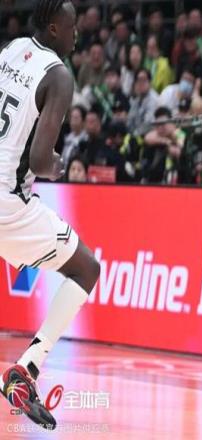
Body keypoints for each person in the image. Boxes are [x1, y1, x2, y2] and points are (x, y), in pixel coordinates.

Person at [0, 0, 100, 430]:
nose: (77, 34)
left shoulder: (12, 49)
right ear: (55, 29)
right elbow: (41, 160)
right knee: (86, 269)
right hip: (8, 205)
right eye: (72, 26)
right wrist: (58, 165)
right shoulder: (59, 75)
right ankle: (27, 368)